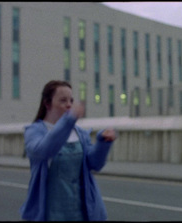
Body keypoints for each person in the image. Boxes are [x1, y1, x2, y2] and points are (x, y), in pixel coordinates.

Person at [20, 80, 117, 221]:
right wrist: (69, 119)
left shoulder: (80, 134)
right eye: (63, 101)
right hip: (51, 214)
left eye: (71, 100)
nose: (69, 105)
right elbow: (45, 150)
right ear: (47, 104)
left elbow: (95, 164)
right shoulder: (34, 132)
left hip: (82, 213)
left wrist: (103, 142)